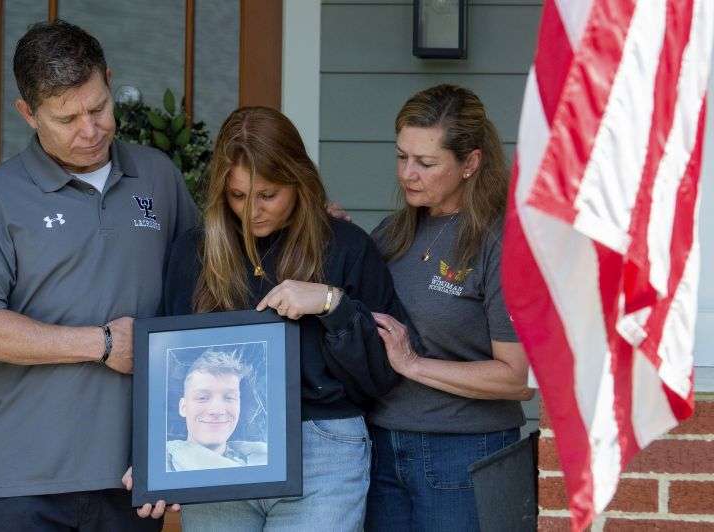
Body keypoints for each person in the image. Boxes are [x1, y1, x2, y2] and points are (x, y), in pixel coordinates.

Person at [0, 20, 198, 531]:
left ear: (108, 78)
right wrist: (102, 344)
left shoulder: (159, 177)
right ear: (29, 114)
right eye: (67, 117)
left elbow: (207, 288)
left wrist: (307, 217)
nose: (90, 129)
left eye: (99, 107)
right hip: (30, 480)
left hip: (132, 476)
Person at [126, 105, 411, 530]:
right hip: (217, 449)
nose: (252, 210)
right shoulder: (195, 253)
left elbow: (381, 376)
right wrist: (155, 459)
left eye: (268, 195)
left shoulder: (347, 247)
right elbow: (173, 366)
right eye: (238, 196)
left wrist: (333, 304)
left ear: (299, 182)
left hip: (323, 445)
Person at [366, 84, 534, 531]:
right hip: (382, 445)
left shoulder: (501, 242)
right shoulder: (392, 232)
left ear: (470, 163)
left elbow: (518, 379)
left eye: (425, 162)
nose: (407, 173)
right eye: (401, 156)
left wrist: (413, 364)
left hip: (464, 452)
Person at [167, 349, 267, 471]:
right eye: (202, 397)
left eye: (229, 397)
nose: (217, 410)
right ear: (183, 407)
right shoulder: (160, 465)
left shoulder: (268, 459)